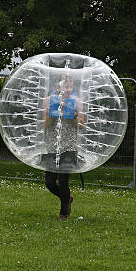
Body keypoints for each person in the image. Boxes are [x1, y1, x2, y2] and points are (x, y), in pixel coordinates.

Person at [43, 74, 83, 220]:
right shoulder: (48, 101)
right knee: (50, 183)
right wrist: (51, 115)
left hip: (69, 146)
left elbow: (81, 125)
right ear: (57, 87)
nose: (67, 89)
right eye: (64, 86)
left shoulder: (76, 102)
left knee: (64, 181)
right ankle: (67, 199)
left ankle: (63, 213)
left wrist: (74, 117)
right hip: (53, 147)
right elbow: (44, 125)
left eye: (70, 86)